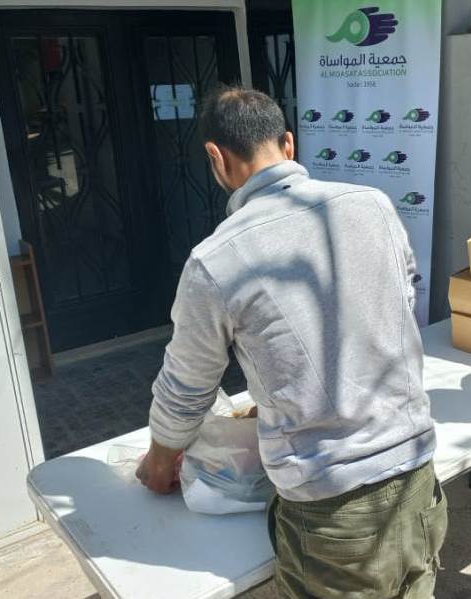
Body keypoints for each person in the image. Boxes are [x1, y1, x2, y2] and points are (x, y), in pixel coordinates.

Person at [136, 86, 446, 597]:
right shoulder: (374, 205)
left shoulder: (215, 259)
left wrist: (160, 462)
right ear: (288, 143)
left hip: (333, 511)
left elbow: (186, 387)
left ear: (216, 157)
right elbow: (395, 305)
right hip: (418, 478)